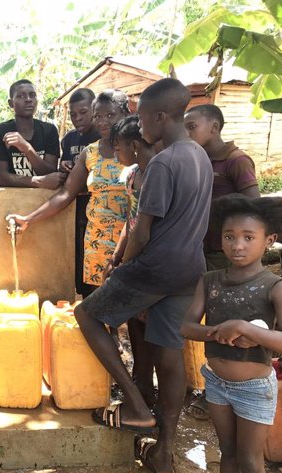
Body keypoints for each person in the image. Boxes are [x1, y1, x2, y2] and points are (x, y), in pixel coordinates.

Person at [70, 78, 213, 473]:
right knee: (169, 358)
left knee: (87, 314)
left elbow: (143, 232)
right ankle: (163, 454)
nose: (141, 125)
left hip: (155, 266)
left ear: (161, 117)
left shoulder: (164, 164)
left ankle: (134, 403)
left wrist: (120, 268)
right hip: (188, 270)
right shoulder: (198, 156)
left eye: (145, 117)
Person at [182, 194, 282, 473]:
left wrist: (247, 329)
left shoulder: (276, 286)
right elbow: (185, 327)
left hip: (255, 389)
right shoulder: (209, 281)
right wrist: (221, 331)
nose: (237, 245)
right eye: (230, 237)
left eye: (248, 237)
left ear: (268, 241)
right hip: (216, 383)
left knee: (251, 459)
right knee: (228, 453)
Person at [8, 89, 131, 293]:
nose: (102, 121)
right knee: (96, 307)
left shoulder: (138, 149)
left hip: (131, 241)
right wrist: (29, 219)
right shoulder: (90, 152)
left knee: (134, 314)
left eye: (110, 115)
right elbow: (66, 194)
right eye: (98, 116)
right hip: (97, 241)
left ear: (125, 114)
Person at [184, 103, 261, 420]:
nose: (187, 132)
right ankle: (208, 385)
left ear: (214, 128)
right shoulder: (198, 158)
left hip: (223, 254)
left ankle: (238, 391)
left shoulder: (235, 160)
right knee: (205, 320)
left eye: (192, 126)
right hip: (199, 250)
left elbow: (254, 205)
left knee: (228, 318)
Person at [105, 115, 158, 408]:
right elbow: (131, 220)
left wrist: (126, 264)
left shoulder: (157, 175)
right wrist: (116, 255)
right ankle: (140, 380)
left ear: (134, 145)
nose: (116, 154)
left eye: (118, 148)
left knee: (152, 326)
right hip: (132, 257)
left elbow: (146, 229)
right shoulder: (132, 175)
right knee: (136, 322)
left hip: (151, 260)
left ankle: (148, 392)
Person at [60, 88, 100, 297]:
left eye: (83, 112)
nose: (77, 118)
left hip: (99, 209)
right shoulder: (69, 139)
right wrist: (65, 165)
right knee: (82, 262)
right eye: (74, 114)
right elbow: (64, 167)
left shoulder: (102, 136)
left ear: (94, 109)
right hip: (76, 209)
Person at [0, 79, 60, 188]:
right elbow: (2, 178)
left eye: (32, 95)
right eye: (21, 96)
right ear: (11, 103)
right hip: (13, 200)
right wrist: (38, 181)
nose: (28, 100)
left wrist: (27, 148)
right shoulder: (0, 131)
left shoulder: (49, 130)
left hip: (44, 198)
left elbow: (51, 174)